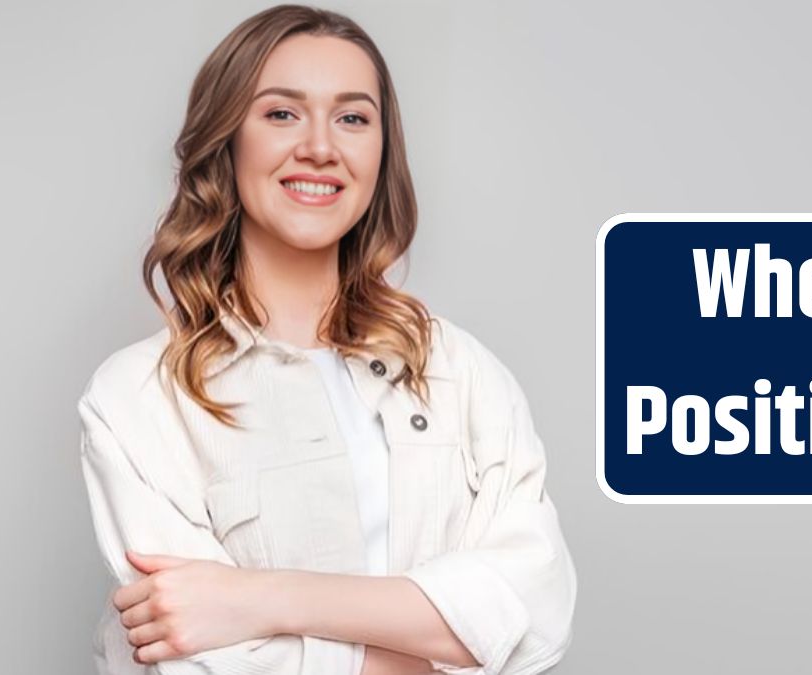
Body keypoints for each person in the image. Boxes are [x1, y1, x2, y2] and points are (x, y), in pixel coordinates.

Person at [76, 5, 576, 674]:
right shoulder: (138, 397)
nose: (320, 146)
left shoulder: (462, 371)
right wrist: (432, 645)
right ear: (226, 139)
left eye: (353, 117)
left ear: (381, 150)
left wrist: (260, 598)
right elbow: (193, 656)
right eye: (281, 113)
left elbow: (535, 614)